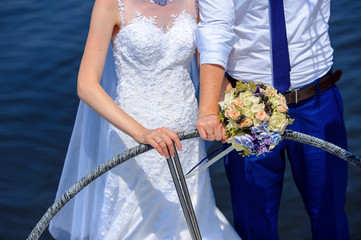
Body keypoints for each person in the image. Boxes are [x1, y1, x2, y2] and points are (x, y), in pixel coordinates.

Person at [49, 0, 241, 239]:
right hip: (136, 135)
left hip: (187, 134)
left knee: (192, 214)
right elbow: (86, 85)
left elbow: (209, 65)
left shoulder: (197, 2)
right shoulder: (110, 4)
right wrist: (141, 132)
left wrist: (240, 111)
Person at [195, 0, 349, 239]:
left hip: (317, 99)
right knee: (254, 224)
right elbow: (214, 28)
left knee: (332, 218)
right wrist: (210, 108)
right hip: (246, 107)